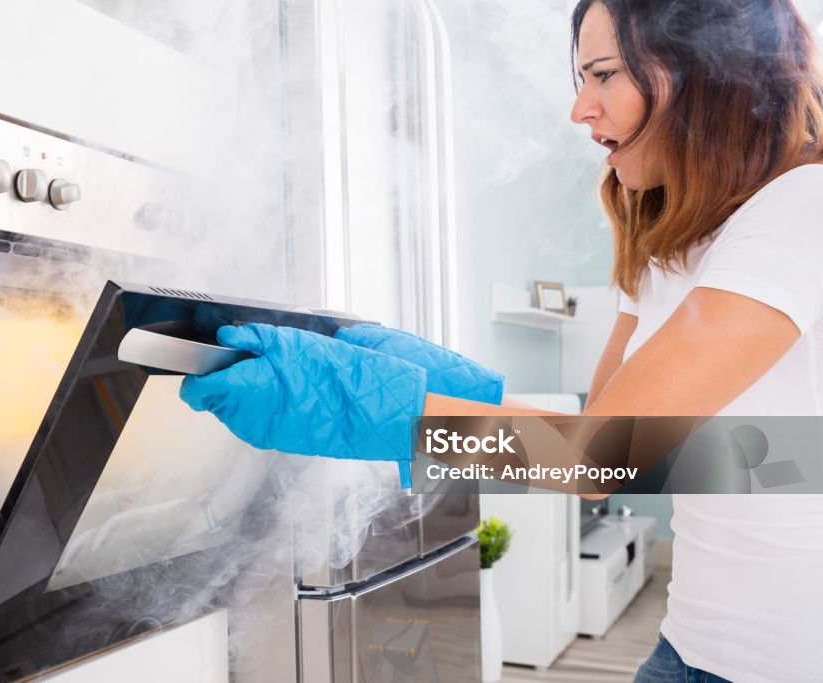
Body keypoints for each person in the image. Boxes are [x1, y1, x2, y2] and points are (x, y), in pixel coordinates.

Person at [180, 1, 823, 680]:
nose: (581, 108)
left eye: (603, 74)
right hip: (688, 650)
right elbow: (593, 462)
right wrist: (459, 392)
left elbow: (602, 457)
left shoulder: (802, 209)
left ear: (705, 72)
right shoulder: (667, 235)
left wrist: (395, 415)